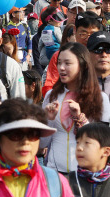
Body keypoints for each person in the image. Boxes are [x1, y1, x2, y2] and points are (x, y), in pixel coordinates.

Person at [42, 42, 110, 174]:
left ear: (83, 65)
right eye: (59, 62)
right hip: (54, 173)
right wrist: (48, 120)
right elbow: (41, 145)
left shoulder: (100, 98)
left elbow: (102, 143)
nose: (61, 68)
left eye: (67, 63)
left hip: (86, 176)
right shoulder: (51, 96)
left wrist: (80, 119)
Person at [43, 12, 102, 96]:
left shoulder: (104, 55)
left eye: (92, 34)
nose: (88, 39)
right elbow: (50, 84)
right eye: (83, 34)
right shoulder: (61, 55)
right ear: (75, 30)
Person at [68, 123, 110, 197]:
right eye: (78, 142)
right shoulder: (65, 181)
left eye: (87, 143)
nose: (79, 148)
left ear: (106, 152)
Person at [87, 31, 110, 99]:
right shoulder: (79, 83)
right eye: (98, 50)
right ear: (88, 54)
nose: (104, 55)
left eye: (108, 50)